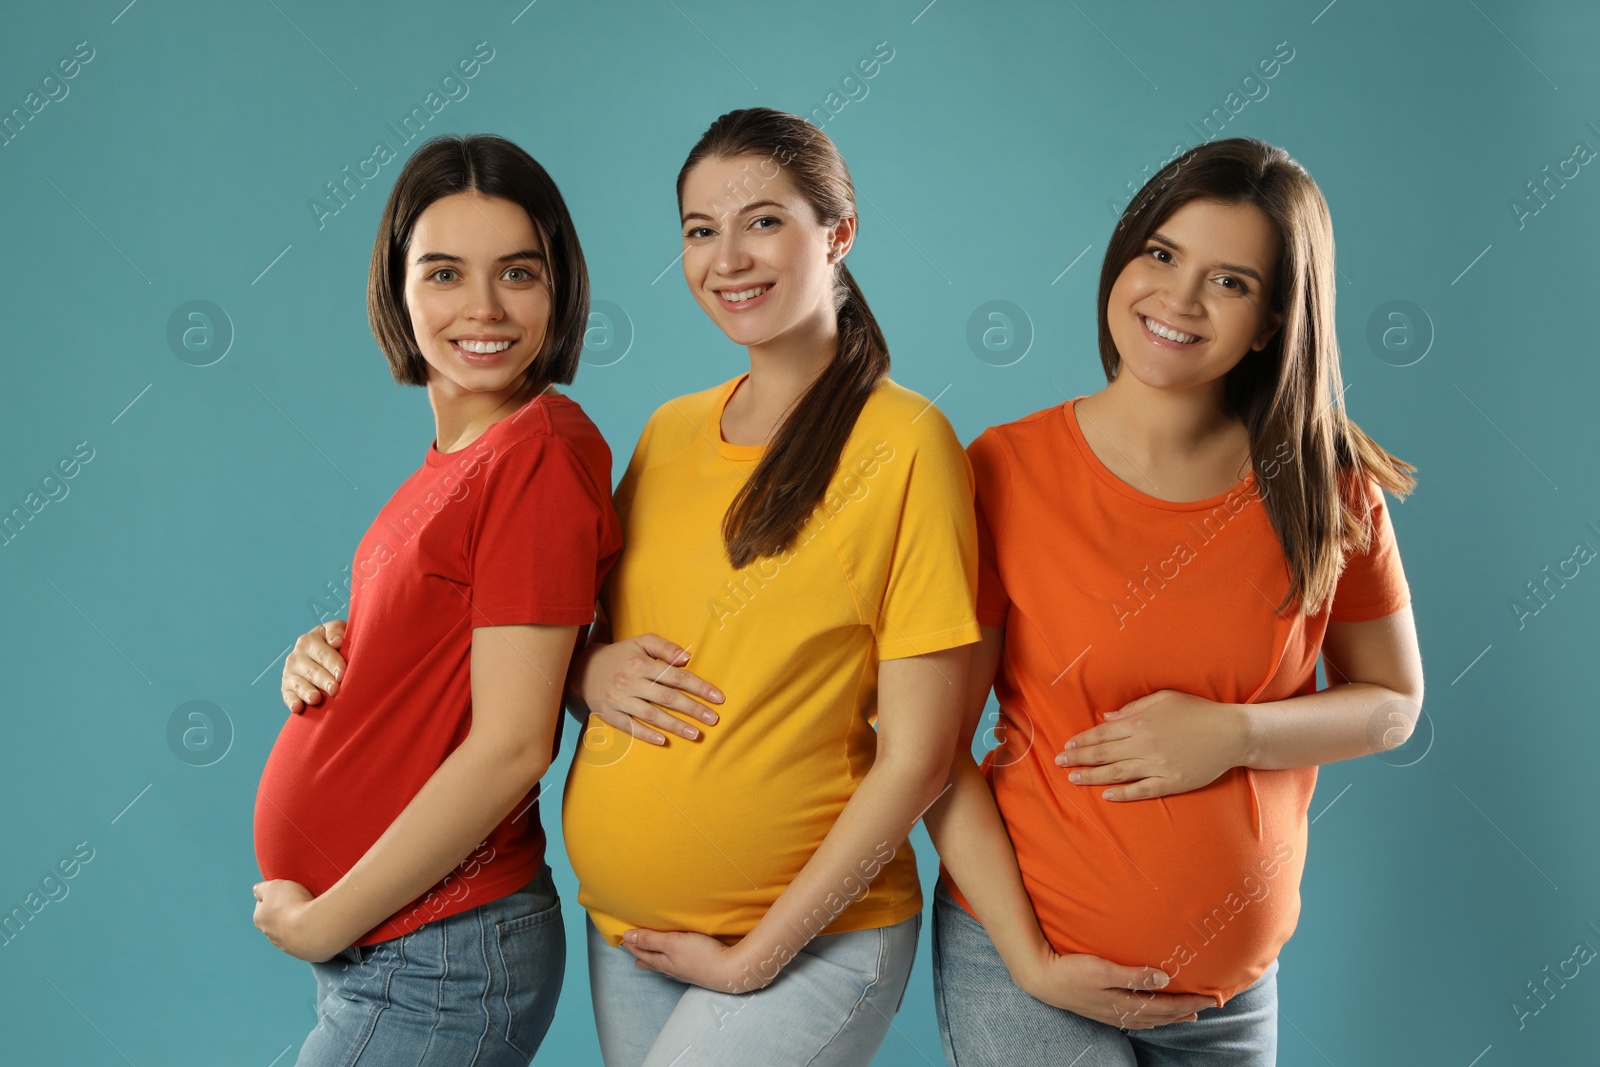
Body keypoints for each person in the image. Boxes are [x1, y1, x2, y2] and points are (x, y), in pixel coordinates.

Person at [923, 137, 1425, 1066]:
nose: (1179, 299)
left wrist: (1238, 733)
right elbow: (933, 746)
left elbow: (1394, 704)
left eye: (1230, 282)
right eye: (1161, 254)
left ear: (1275, 320)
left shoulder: (1325, 487)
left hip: (1227, 999)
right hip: (1031, 962)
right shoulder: (1003, 471)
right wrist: (1030, 963)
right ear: (1121, 258)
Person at [560, 107, 979, 1066]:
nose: (728, 257)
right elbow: (563, 648)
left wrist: (757, 958)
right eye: (700, 230)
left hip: (810, 943)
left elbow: (919, 756)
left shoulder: (908, 445)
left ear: (839, 234)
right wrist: (588, 674)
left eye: (763, 220)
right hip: (627, 932)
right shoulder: (667, 434)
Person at [252, 133, 621, 1066]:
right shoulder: (463, 459)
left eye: (519, 273)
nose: (484, 308)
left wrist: (325, 919)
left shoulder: (535, 451)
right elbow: (445, 658)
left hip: (438, 947)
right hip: (405, 939)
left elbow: (512, 745)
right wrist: (333, 658)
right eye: (446, 273)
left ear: (560, 288)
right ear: (398, 288)